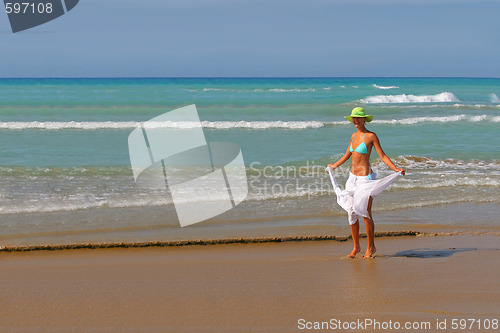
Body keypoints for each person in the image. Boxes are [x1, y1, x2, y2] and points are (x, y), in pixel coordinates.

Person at [327, 107, 405, 259]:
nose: (356, 120)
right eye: (354, 118)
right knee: (351, 213)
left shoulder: (371, 136)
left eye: (358, 118)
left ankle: (371, 247)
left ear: (364, 119)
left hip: (365, 180)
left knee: (365, 213)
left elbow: (382, 155)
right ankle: (356, 247)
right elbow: (347, 155)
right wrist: (334, 166)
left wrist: (395, 168)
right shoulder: (353, 136)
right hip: (352, 178)